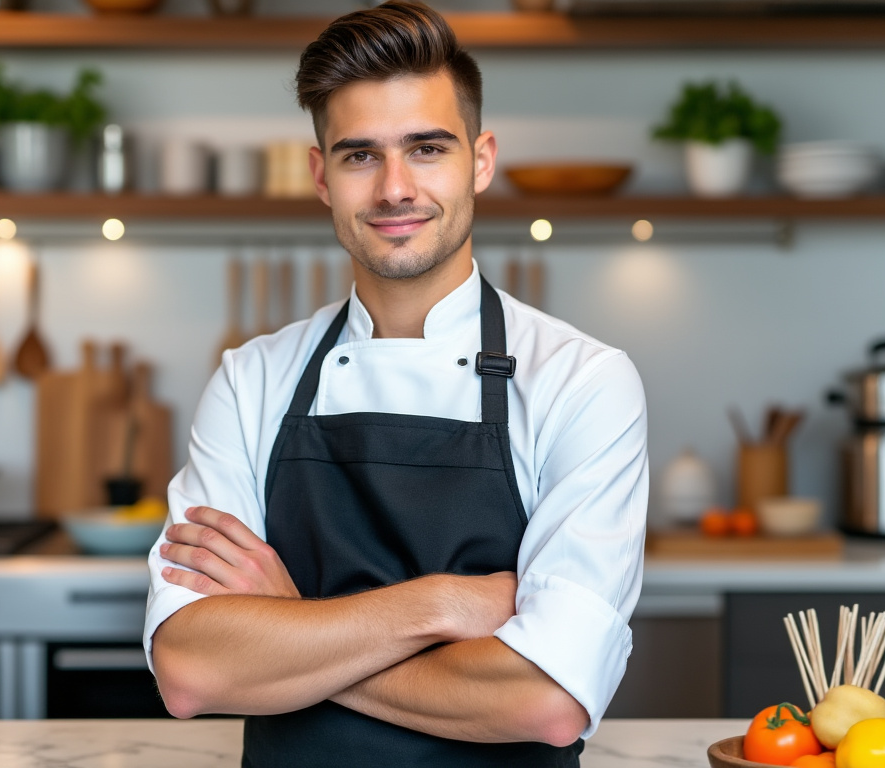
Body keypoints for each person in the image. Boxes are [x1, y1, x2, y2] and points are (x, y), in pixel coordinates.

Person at [143, 3, 648, 766]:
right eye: (359, 156)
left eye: (427, 148)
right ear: (321, 176)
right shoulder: (254, 380)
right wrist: (445, 604)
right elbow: (191, 669)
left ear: (480, 160)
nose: (394, 189)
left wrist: (292, 623)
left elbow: (546, 700)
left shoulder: (581, 381)